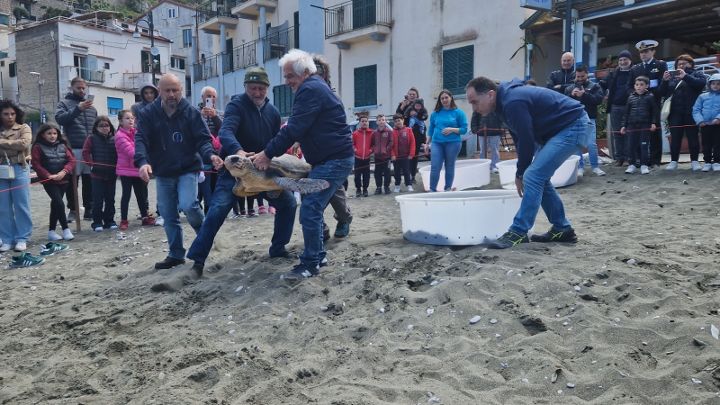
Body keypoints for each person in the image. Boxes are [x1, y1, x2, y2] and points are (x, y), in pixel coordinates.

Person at [252, 49, 354, 281]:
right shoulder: (317, 86)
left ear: (305, 72)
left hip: (334, 159)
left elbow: (294, 128)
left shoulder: (309, 89)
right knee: (310, 204)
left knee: (310, 209)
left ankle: (310, 263)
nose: (286, 81)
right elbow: (303, 127)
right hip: (331, 158)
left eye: (289, 76)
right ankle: (318, 254)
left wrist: (266, 154)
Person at [186, 67, 297, 276]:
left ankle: (278, 248)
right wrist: (239, 152)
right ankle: (197, 261)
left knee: (289, 203)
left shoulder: (273, 113)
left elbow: (277, 141)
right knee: (217, 209)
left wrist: (274, 157)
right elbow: (226, 131)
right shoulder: (236, 105)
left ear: (267, 89)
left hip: (263, 171)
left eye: (261, 89)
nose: (257, 93)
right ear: (245, 87)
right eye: (253, 88)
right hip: (235, 171)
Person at [466, 76, 589, 249]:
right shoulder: (502, 104)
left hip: (574, 126)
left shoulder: (512, 102)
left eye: (474, 102)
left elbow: (526, 139)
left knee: (533, 176)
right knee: (538, 177)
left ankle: (518, 231)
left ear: (490, 95)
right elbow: (518, 137)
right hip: (562, 129)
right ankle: (562, 228)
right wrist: (520, 172)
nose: (474, 108)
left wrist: (522, 173)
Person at [135, 74, 223, 271]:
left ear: (181, 90)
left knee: (189, 205)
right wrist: (142, 162)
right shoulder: (149, 113)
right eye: (167, 90)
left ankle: (205, 238)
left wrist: (210, 156)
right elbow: (140, 138)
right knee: (168, 213)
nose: (172, 94)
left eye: (175, 90)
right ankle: (176, 254)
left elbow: (203, 139)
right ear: (160, 91)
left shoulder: (191, 112)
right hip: (163, 171)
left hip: (188, 168)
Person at [312, 54, 353, 239]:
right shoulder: (305, 94)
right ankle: (321, 227)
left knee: (335, 194)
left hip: (334, 154)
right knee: (311, 194)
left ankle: (344, 219)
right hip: (314, 155)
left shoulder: (332, 97)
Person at [55, 77, 97, 222]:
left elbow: (95, 128)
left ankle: (89, 209)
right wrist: (78, 109)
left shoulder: (92, 108)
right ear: (72, 88)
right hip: (74, 147)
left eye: (84, 88)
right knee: (72, 181)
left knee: (89, 180)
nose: (81, 90)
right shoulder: (64, 104)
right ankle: (73, 209)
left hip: (90, 149)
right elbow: (60, 119)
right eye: (78, 88)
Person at [659, 54, 707, 171]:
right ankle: (674, 161)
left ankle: (694, 161)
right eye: (679, 64)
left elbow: (700, 84)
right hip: (675, 112)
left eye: (684, 63)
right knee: (675, 138)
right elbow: (661, 93)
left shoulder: (697, 74)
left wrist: (685, 76)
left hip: (691, 112)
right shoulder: (672, 77)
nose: (681, 65)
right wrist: (664, 81)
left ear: (691, 64)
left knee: (693, 138)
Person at [31, 123, 76, 241]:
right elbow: (36, 164)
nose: (52, 136)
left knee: (55, 205)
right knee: (59, 203)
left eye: (55, 133)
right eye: (49, 133)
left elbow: (71, 160)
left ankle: (51, 231)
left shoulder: (63, 145)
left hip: (63, 179)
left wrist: (64, 172)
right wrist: (48, 175)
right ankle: (66, 229)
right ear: (43, 134)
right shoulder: (37, 147)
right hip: (49, 181)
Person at [0, 100, 33, 252]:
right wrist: (12, 144)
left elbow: (24, 144)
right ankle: (7, 239)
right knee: (3, 207)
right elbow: (17, 145)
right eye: (6, 114)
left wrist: (2, 143)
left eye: (12, 113)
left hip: (20, 168)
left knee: (21, 205)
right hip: (1, 170)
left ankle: (22, 238)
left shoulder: (23, 127)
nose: (10, 117)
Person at [115, 110, 154, 230]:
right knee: (126, 195)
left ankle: (144, 217)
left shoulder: (136, 133)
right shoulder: (120, 136)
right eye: (127, 118)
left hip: (137, 169)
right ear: (121, 121)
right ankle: (124, 220)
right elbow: (132, 152)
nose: (131, 120)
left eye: (132, 118)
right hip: (126, 170)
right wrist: (144, 156)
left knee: (141, 195)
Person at [630, 40, 667, 167]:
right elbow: (631, 87)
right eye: (641, 52)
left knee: (655, 132)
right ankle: (642, 160)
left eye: (646, 51)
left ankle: (655, 160)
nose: (643, 54)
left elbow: (663, 85)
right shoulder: (636, 68)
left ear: (653, 51)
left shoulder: (660, 65)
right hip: (639, 105)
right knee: (640, 132)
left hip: (654, 102)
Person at [565, 65, 606, 177]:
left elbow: (598, 100)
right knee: (576, 145)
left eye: (582, 76)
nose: (580, 78)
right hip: (575, 119)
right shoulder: (570, 88)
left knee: (591, 144)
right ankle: (579, 167)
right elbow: (564, 103)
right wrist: (571, 95)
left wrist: (584, 94)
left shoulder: (594, 86)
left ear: (587, 74)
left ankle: (595, 167)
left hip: (589, 118)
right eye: (578, 76)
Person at [425, 89, 468, 192]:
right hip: (437, 143)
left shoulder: (459, 113)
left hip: (453, 143)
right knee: (435, 166)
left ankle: (447, 188)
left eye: (446, 97)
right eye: (442, 98)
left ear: (451, 98)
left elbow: (464, 130)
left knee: (449, 165)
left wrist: (452, 129)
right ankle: (432, 189)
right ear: (440, 100)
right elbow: (430, 129)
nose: (444, 100)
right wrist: (427, 143)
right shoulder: (435, 114)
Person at [82, 116, 118, 231]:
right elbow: (85, 152)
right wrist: (91, 164)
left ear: (110, 127)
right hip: (97, 175)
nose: (104, 128)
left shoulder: (115, 138)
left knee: (110, 199)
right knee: (97, 200)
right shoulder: (91, 138)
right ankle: (97, 222)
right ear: (96, 127)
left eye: (106, 125)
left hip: (112, 174)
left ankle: (109, 220)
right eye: (101, 126)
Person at [620, 76, 658, 175]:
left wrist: (653, 123)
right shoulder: (630, 97)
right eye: (637, 85)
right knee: (631, 145)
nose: (639, 87)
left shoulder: (650, 96)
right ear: (634, 86)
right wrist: (624, 125)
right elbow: (626, 113)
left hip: (645, 125)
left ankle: (644, 165)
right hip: (632, 125)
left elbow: (654, 111)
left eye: (641, 85)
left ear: (647, 86)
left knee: (644, 145)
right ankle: (632, 164)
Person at [604, 50, 634, 166]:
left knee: (628, 132)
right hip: (615, 106)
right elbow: (604, 84)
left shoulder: (634, 72)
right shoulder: (613, 73)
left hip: (629, 106)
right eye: (620, 60)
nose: (622, 62)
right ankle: (619, 158)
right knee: (616, 133)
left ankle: (627, 157)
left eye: (625, 59)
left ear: (630, 60)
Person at [197, 86, 222, 213]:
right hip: (201, 154)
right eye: (208, 96)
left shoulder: (219, 113)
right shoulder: (195, 113)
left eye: (213, 96)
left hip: (217, 154)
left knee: (215, 184)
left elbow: (224, 130)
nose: (210, 98)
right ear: (202, 98)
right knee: (203, 185)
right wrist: (201, 116)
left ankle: (211, 208)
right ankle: (202, 207)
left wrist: (215, 117)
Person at [692, 73, 720, 172]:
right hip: (705, 125)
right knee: (706, 144)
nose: (715, 86)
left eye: (718, 84)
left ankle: (717, 162)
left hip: (718, 125)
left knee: (718, 144)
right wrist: (700, 121)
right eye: (713, 84)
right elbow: (696, 109)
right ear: (709, 84)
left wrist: (718, 118)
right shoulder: (702, 96)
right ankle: (707, 162)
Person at [392, 113, 416, 192]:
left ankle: (408, 184)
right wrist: (393, 155)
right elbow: (391, 145)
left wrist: (411, 154)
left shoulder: (409, 130)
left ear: (403, 120)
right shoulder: (392, 132)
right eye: (395, 121)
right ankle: (397, 185)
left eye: (399, 120)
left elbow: (413, 143)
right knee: (397, 172)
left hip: (406, 156)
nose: (397, 122)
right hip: (396, 157)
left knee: (406, 171)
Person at [371, 114, 393, 195]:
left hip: (387, 157)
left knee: (387, 172)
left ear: (385, 121)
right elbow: (372, 143)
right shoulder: (374, 133)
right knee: (377, 173)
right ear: (377, 122)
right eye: (379, 120)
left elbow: (391, 142)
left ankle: (386, 187)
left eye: (383, 120)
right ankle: (378, 187)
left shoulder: (389, 132)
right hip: (377, 157)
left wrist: (386, 150)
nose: (381, 121)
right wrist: (375, 150)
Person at [406, 100, 428, 180]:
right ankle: (407, 176)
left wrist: (424, 141)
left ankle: (413, 176)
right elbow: (404, 116)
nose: (418, 106)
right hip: (408, 136)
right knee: (408, 157)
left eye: (419, 105)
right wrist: (409, 114)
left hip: (418, 137)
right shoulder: (409, 107)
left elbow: (425, 117)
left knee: (415, 157)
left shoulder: (423, 110)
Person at [352, 114, 373, 197]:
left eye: (366, 121)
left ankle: (365, 189)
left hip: (367, 158)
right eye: (362, 121)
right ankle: (358, 189)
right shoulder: (355, 133)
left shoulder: (372, 133)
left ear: (368, 122)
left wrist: (370, 150)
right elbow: (352, 144)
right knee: (357, 176)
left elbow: (374, 144)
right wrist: (355, 150)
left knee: (366, 175)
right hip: (357, 158)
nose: (364, 123)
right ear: (359, 123)